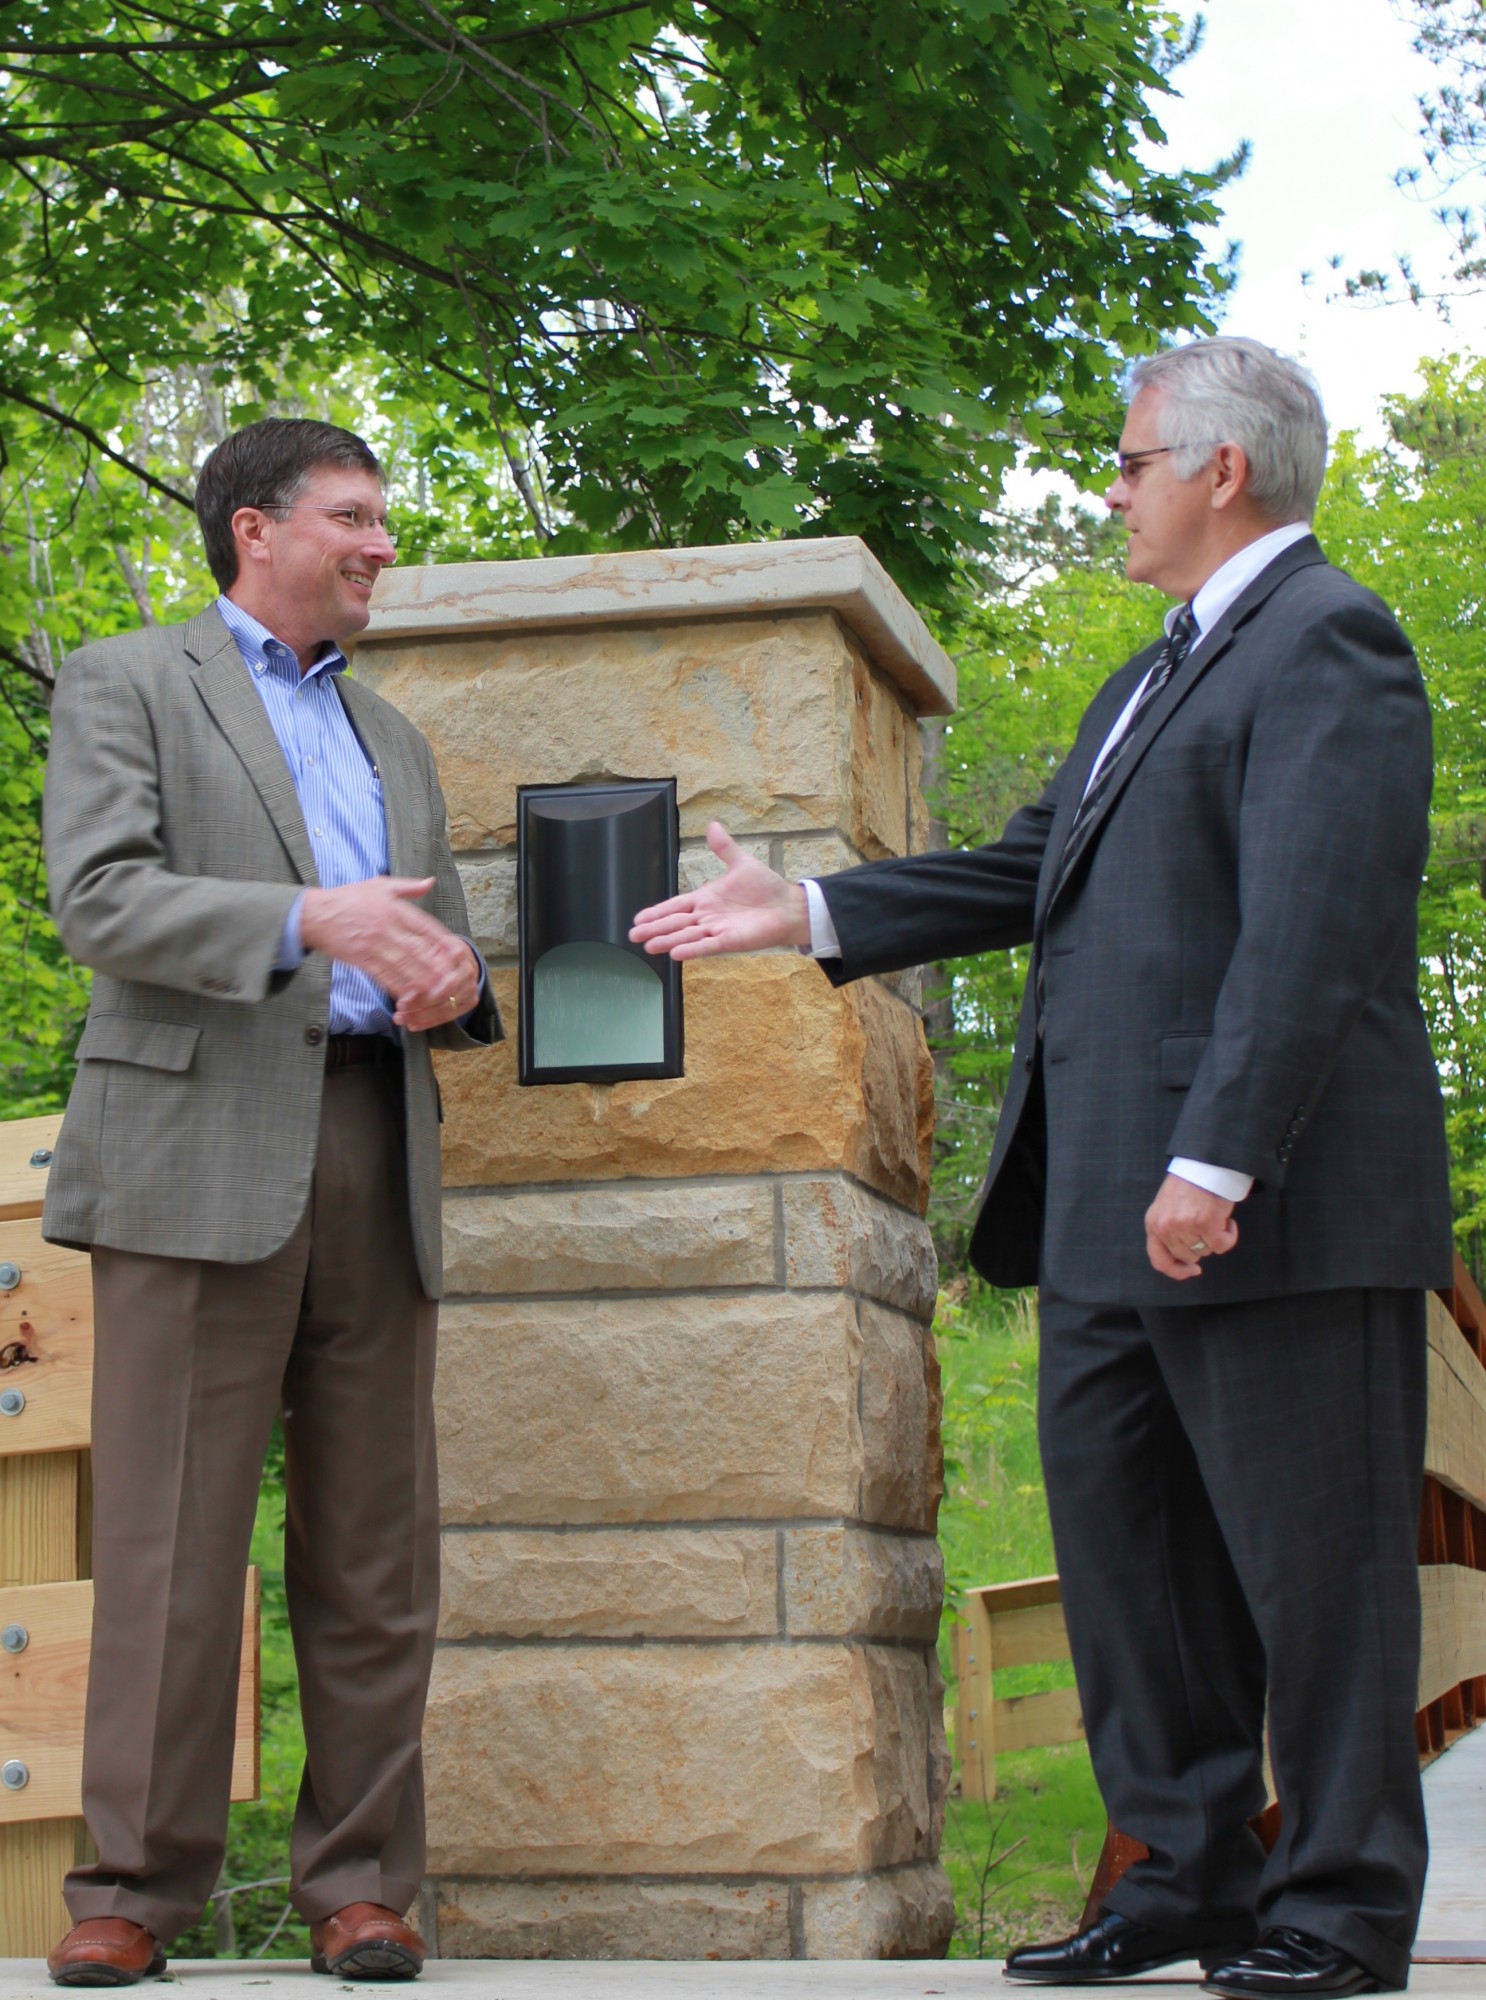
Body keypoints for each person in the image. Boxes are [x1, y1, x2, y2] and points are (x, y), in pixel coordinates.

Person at [631, 338, 1452, 1999]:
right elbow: (1031, 869)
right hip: (1096, 1209)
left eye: (1131, 458)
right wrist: (802, 912)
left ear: (1221, 470)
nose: (1111, 487)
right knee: (1133, 1568)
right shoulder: (1148, 673)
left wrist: (1214, 1158)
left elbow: (1311, 930)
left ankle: (1343, 1905)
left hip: (1261, 1202)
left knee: (1318, 1571)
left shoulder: (1328, 642)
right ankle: (1182, 1881)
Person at [40, 418, 498, 1986]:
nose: (381, 546)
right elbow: (99, 898)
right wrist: (313, 916)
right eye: (354, 518)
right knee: (172, 1542)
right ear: (255, 529)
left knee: (378, 1548)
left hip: (378, 1142)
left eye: (384, 522)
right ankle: (130, 1892)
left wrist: (455, 983)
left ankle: (362, 1886)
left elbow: (421, 940)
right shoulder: (129, 681)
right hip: (196, 1157)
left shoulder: (399, 743)